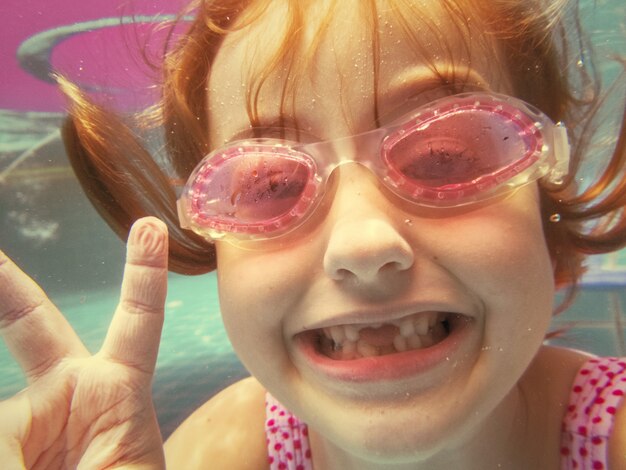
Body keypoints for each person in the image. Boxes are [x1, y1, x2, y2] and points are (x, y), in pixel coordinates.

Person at [1, 0, 626, 468]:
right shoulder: (225, 454)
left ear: (545, 190)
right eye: (271, 185)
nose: (362, 244)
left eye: (446, 154)